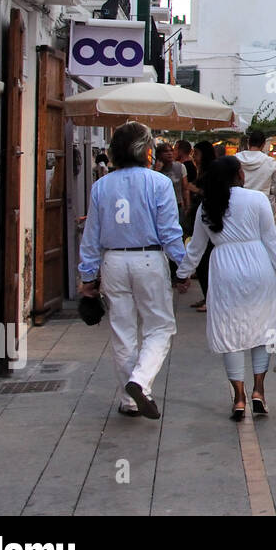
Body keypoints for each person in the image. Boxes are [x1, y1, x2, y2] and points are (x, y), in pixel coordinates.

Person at [77, 121, 187, 419]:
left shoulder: (101, 186)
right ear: (146, 150)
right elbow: (169, 233)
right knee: (160, 327)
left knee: (123, 331)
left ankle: (129, 399)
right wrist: (183, 267)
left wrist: (88, 277)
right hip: (149, 260)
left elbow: (92, 236)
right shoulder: (159, 183)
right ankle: (140, 381)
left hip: (113, 261)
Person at [175, 156, 276, 420]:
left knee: (230, 331)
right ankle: (258, 390)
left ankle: (238, 397)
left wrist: (182, 275)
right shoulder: (257, 199)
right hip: (258, 265)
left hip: (224, 268)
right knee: (262, 328)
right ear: (237, 175)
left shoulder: (207, 205)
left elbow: (196, 248)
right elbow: (271, 239)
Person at [187, 140, 217, 311]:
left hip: (208, 222)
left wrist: (195, 190)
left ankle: (209, 299)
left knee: (205, 260)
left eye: (196, 154)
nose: (194, 157)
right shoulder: (203, 171)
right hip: (200, 220)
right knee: (201, 260)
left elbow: (213, 193)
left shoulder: (211, 172)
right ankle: (206, 296)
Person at [236, 129, 276, 213]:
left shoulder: (236, 159)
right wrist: (268, 190)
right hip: (263, 206)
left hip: (240, 206)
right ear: (263, 144)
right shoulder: (270, 162)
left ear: (248, 142)